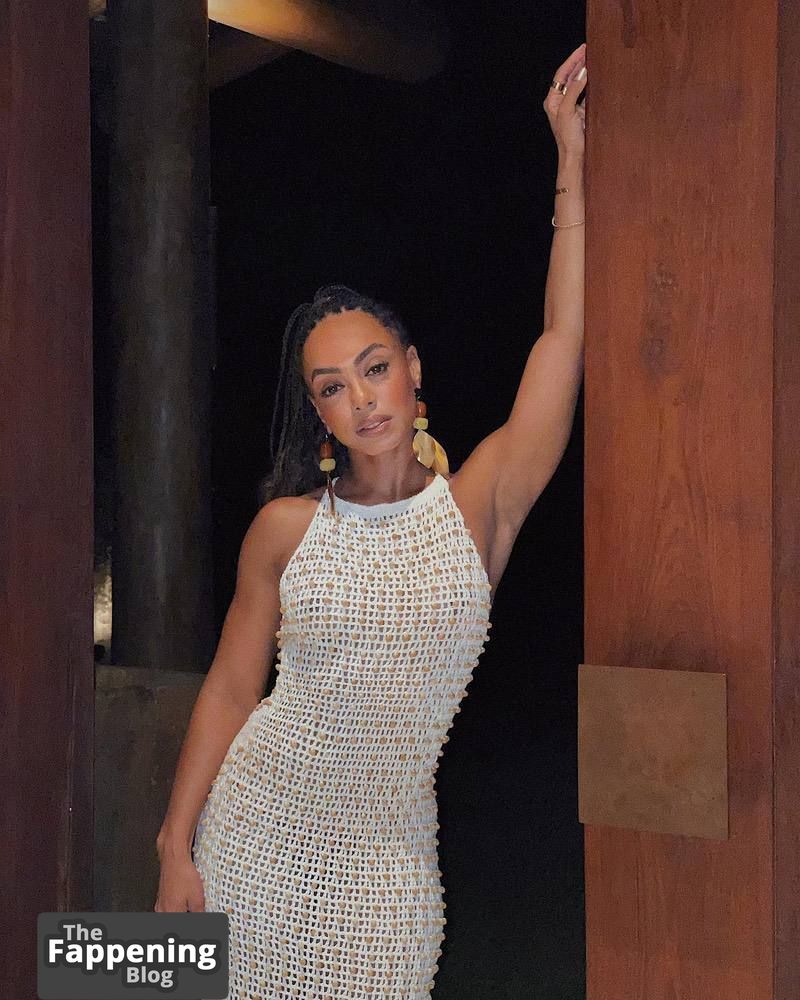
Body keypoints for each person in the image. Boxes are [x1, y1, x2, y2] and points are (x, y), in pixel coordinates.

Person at [154, 41, 586, 999]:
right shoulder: (286, 530)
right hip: (252, 840)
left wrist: (571, 161)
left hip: (389, 875)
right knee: (130, 978)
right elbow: (231, 689)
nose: (362, 398)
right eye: (333, 387)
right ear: (319, 412)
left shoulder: (477, 506)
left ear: (412, 370)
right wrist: (174, 846)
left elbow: (562, 340)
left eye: (376, 369)